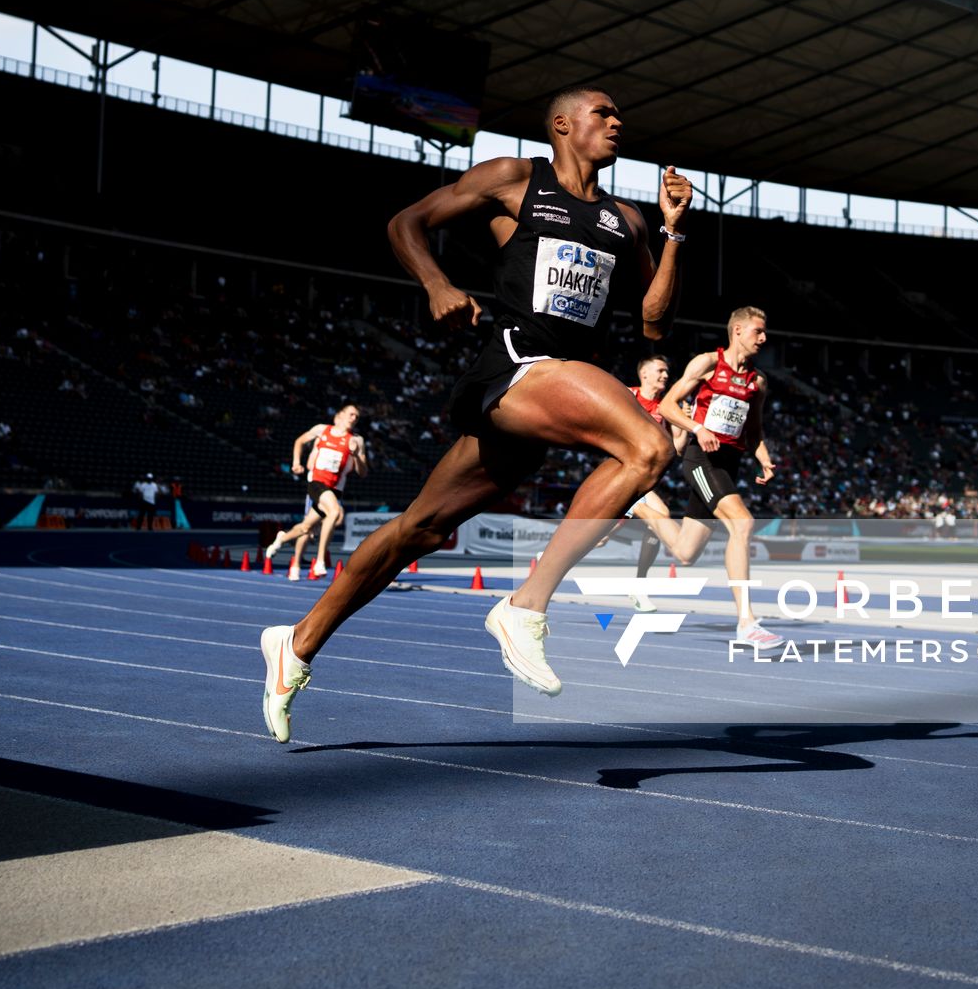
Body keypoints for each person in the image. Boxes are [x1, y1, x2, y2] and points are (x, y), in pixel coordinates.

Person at [258, 86, 690, 741]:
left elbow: (656, 323)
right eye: (604, 112)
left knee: (419, 531)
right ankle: (525, 606)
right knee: (649, 449)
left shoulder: (625, 221)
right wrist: (436, 283)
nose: (617, 120)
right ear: (563, 124)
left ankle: (295, 644)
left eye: (619, 111)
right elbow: (405, 223)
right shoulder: (516, 179)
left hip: (554, 393)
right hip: (516, 368)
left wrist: (673, 229)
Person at [632, 308, 782, 649]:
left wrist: (765, 460)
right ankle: (747, 623)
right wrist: (697, 428)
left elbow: (754, 431)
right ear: (738, 330)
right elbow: (669, 406)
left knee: (685, 552)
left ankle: (642, 507)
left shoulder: (758, 381)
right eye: (758, 331)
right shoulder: (707, 364)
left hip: (729, 465)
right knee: (742, 524)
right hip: (701, 461)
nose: (764, 338)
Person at [598, 354, 687, 614]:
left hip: (643, 480)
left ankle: (639, 585)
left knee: (601, 537)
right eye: (660, 370)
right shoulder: (627, 395)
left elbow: (678, 450)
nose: (665, 375)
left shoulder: (667, 408)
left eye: (667, 372)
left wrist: (684, 428)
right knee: (659, 516)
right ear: (644, 373)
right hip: (619, 474)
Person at [265, 405, 368, 579]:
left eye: (357, 417)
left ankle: (281, 539)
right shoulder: (322, 430)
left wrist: (357, 455)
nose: (354, 418)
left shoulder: (357, 440)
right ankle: (319, 561)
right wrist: (296, 462)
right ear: (339, 416)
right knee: (334, 513)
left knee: (306, 527)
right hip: (317, 484)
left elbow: (363, 473)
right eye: (351, 414)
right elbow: (299, 441)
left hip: (335, 490)